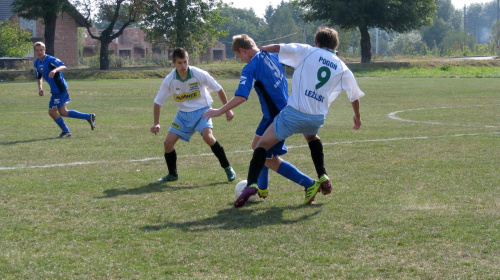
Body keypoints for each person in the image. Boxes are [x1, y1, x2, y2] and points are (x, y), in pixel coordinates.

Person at [234, 26, 365, 208]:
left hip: (293, 114)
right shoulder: (342, 67)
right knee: (311, 137)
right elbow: (355, 95)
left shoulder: (308, 51)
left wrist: (261, 50)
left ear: (317, 43)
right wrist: (357, 117)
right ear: (335, 46)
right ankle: (322, 175)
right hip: (317, 118)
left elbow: (278, 47)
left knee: (260, 145)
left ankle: (252, 185)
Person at [203, 34, 323, 207]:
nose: (241, 60)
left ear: (243, 50)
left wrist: (220, 111)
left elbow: (241, 96)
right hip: (275, 111)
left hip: (277, 114)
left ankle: (309, 184)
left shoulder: (251, 67)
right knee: (257, 146)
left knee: (267, 157)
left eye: (239, 56)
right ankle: (263, 187)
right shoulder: (272, 54)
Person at [151, 48, 236, 183]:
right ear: (174, 63)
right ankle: (172, 174)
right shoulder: (170, 80)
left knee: (208, 137)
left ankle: (227, 168)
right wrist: (156, 123)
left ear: (188, 60)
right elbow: (158, 101)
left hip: (202, 111)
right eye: (179, 63)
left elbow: (219, 89)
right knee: (168, 143)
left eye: (185, 62)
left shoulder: (198, 74)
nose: (183, 66)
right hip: (183, 115)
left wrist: (227, 110)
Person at [33, 42, 95, 138]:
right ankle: (88, 117)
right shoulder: (36, 62)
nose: (39, 52)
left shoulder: (50, 59)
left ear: (45, 50)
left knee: (52, 112)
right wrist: (40, 88)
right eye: (37, 50)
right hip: (55, 90)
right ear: (35, 52)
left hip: (60, 89)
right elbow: (39, 76)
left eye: (41, 50)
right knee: (63, 112)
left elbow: (63, 66)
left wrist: (55, 70)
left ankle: (66, 132)